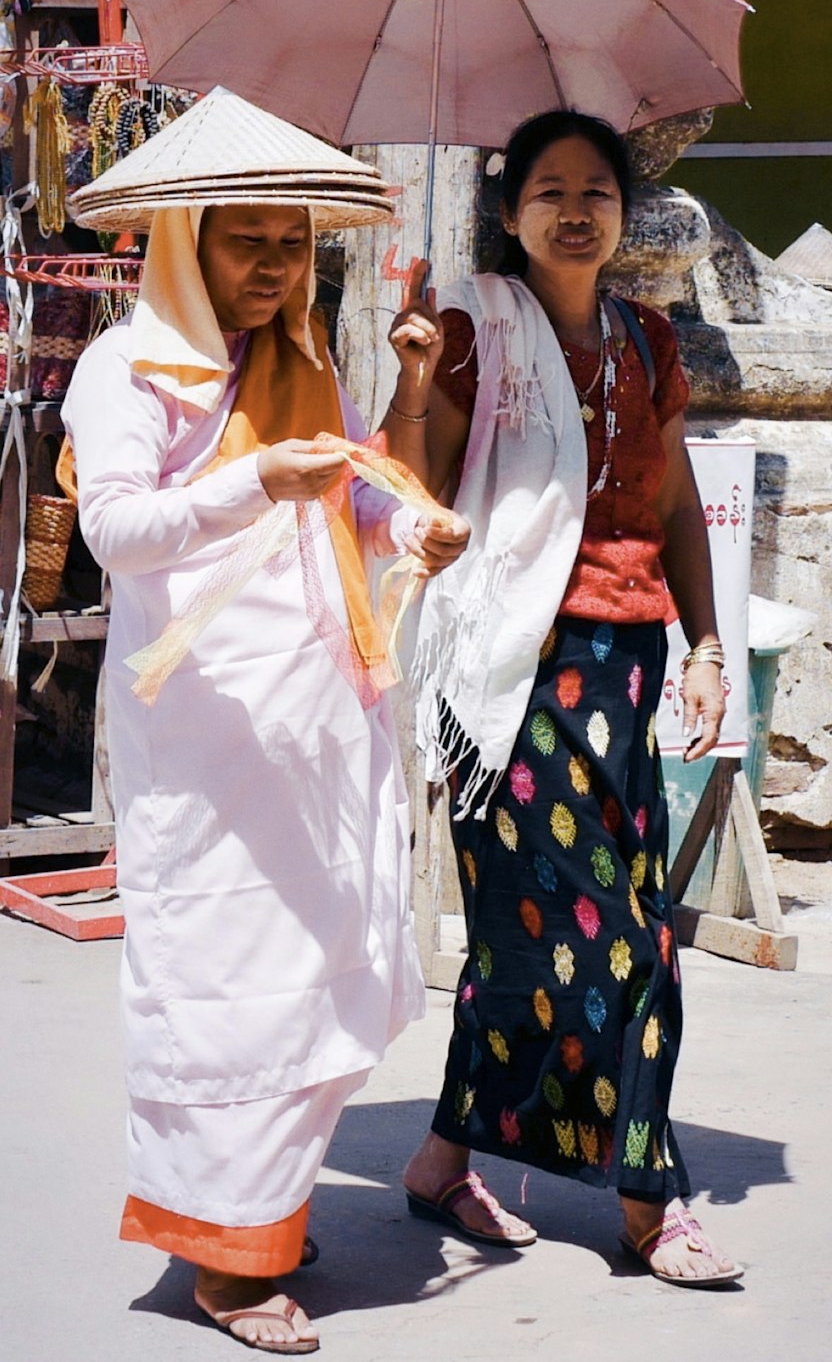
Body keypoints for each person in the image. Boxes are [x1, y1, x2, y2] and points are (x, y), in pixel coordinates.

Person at [61, 178, 469, 1354]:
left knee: (316, 973)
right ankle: (224, 1265)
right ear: (189, 246)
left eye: (294, 246)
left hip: (318, 722)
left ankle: (267, 1218)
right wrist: (251, 480)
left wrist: (408, 528)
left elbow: (336, 507)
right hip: (205, 737)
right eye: (249, 242)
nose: (278, 266)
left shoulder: (303, 369)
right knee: (225, 989)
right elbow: (117, 533)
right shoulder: (128, 370)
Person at [383, 109, 743, 1287]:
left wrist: (703, 645)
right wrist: (409, 377)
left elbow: (677, 508)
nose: (575, 207)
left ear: (623, 214)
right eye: (549, 188)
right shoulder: (472, 329)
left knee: (521, 939)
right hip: (510, 675)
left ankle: (443, 1158)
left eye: (597, 188)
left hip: (626, 668)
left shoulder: (647, 345)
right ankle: (652, 1198)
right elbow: (417, 483)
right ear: (507, 210)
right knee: (630, 943)